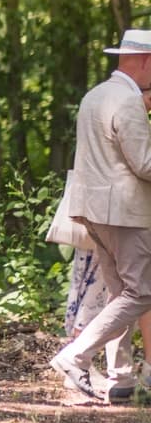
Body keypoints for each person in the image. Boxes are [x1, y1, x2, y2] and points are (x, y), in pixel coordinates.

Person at [51, 29, 151, 402]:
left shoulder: (96, 95)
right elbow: (143, 164)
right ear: (145, 61)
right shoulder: (128, 101)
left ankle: (120, 378)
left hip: (93, 210)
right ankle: (75, 357)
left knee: (120, 292)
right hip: (124, 212)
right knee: (141, 292)